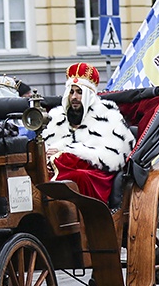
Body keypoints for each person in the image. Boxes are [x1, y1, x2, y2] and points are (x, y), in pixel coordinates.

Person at [43, 62, 135, 202]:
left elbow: (113, 157)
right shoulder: (57, 117)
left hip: (98, 174)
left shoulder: (107, 115)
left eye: (79, 92)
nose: (74, 97)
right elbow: (47, 146)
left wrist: (64, 153)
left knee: (79, 176)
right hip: (64, 169)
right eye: (71, 92)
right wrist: (49, 158)